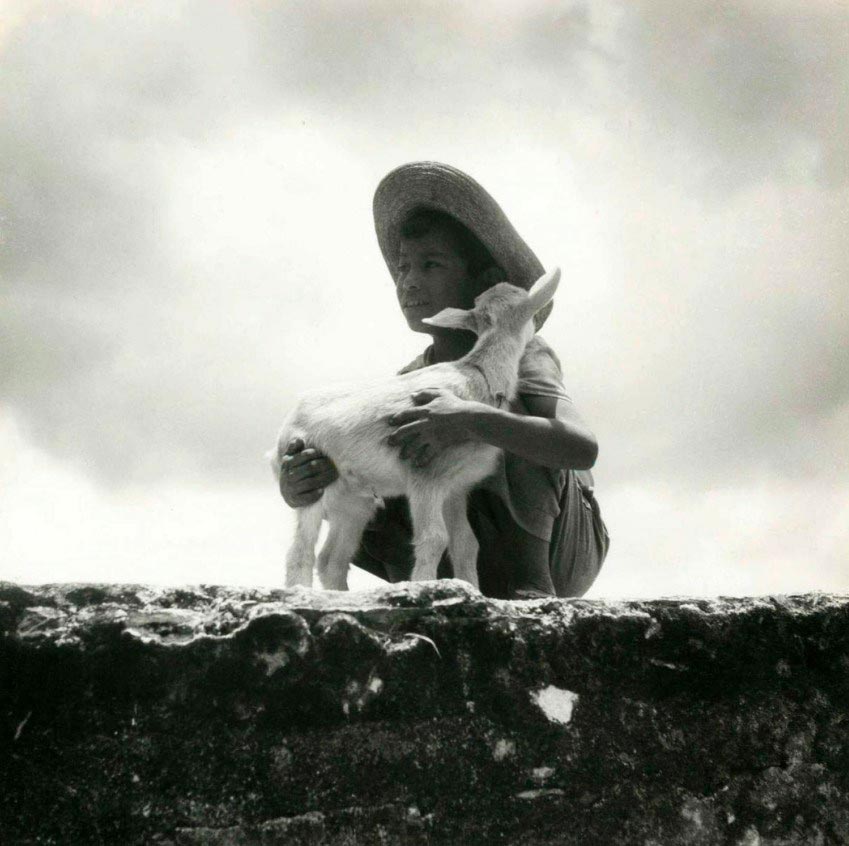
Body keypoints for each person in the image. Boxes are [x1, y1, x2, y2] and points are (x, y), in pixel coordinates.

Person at [279, 162, 609, 599]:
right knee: (373, 448)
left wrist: (471, 418)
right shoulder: (415, 380)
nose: (408, 281)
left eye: (430, 265)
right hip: (466, 555)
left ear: (484, 282)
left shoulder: (527, 356)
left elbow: (581, 448)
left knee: (498, 409)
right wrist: (302, 482)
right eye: (403, 268)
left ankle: (530, 588)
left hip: (561, 551)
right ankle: (426, 589)